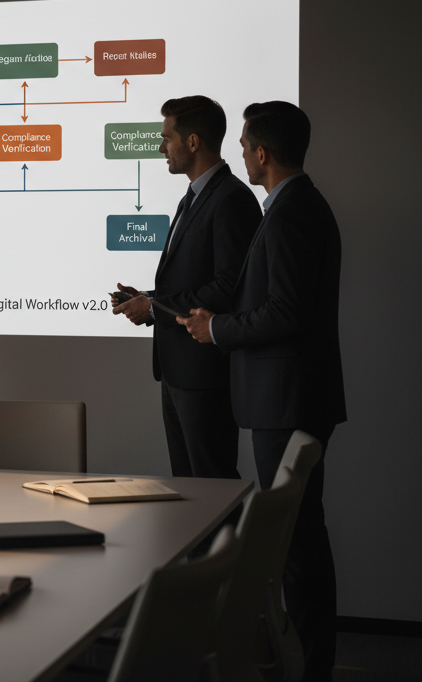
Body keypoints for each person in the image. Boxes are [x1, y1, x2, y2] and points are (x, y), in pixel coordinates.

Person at [179, 101, 345, 681]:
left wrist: (217, 328)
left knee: (297, 543)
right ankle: (301, 660)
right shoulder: (292, 206)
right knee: (297, 539)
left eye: (246, 144)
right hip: (285, 396)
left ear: (262, 153)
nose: (243, 153)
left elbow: (288, 311)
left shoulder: (294, 211)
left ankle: (308, 664)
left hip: (287, 399)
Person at [112, 96, 262, 479]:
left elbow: (231, 287)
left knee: (211, 491)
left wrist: (156, 306)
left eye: (167, 138)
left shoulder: (231, 200)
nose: (162, 147)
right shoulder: (193, 196)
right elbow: (194, 279)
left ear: (192, 143)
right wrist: (146, 300)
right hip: (179, 372)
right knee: (188, 493)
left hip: (205, 375)